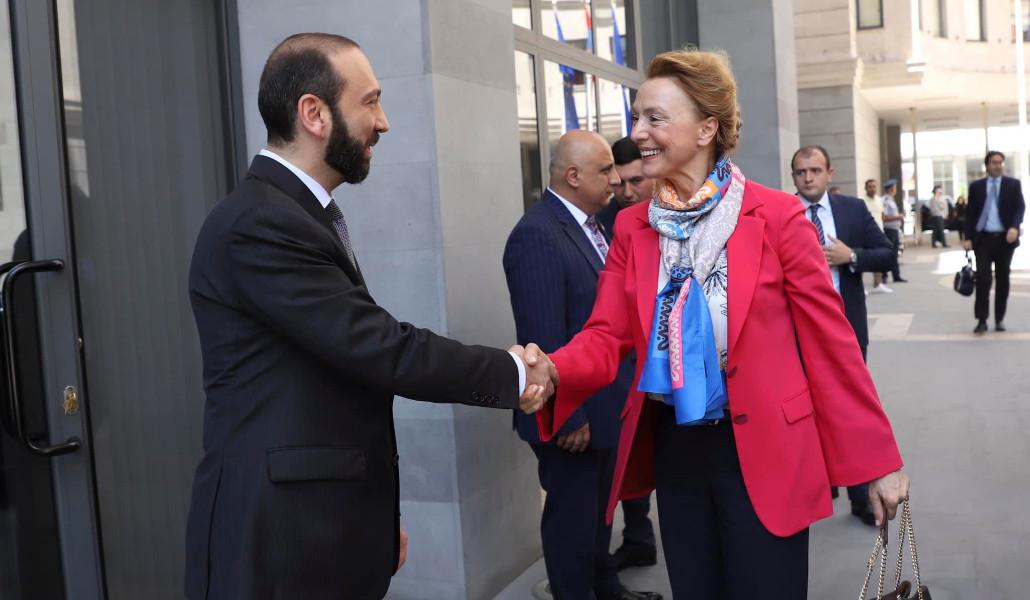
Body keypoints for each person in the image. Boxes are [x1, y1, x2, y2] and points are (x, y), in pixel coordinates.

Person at [183, 33, 552, 600]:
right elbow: (379, 348)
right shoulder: (260, 223)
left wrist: (371, 519)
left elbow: (339, 375)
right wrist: (514, 372)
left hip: (322, 526)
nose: (383, 122)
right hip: (279, 541)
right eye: (370, 101)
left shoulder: (294, 214)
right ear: (314, 113)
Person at [532, 49, 910, 599]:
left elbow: (831, 346)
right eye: (636, 117)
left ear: (706, 128)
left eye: (655, 118)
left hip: (768, 451)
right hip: (677, 451)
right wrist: (551, 369)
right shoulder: (633, 227)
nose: (637, 133)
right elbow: (606, 334)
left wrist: (877, 460)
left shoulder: (777, 217)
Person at [503, 131, 661, 600]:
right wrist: (568, 415)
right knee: (572, 524)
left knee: (597, 516)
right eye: (605, 170)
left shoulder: (593, 226)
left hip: (603, 405)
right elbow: (542, 337)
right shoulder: (537, 234)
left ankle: (607, 589)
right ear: (573, 176)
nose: (616, 180)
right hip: (572, 416)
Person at [597, 137, 660, 571]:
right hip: (612, 363)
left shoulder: (666, 219)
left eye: (636, 181)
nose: (627, 191)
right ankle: (636, 537)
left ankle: (640, 537)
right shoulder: (605, 222)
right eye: (619, 183)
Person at [964, 150, 1026, 333]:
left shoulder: (1012, 185)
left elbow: (1020, 207)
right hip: (983, 240)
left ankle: (999, 319)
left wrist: (1014, 227)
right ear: (987, 165)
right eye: (994, 162)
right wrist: (967, 237)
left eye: (1000, 163)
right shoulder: (976, 187)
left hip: (1005, 241)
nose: (998, 166)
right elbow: (970, 214)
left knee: (1003, 279)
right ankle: (982, 320)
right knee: (983, 279)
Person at [597, 136, 654, 235]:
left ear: (656, 178)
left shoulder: (677, 215)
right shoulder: (599, 223)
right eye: (620, 183)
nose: (628, 193)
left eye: (636, 181)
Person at [862, 178, 890, 292]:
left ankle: (878, 284)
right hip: (865, 234)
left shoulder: (879, 200)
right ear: (865, 188)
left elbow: (882, 216)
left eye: (874, 186)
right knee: (862, 259)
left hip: (879, 234)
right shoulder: (861, 201)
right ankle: (860, 287)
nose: (872, 189)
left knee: (878, 258)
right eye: (870, 187)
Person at [880, 179, 907, 283]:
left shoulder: (891, 199)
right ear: (891, 189)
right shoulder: (886, 200)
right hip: (889, 230)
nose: (895, 189)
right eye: (894, 188)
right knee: (888, 253)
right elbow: (884, 217)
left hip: (894, 230)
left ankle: (896, 276)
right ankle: (884, 275)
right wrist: (898, 217)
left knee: (894, 254)